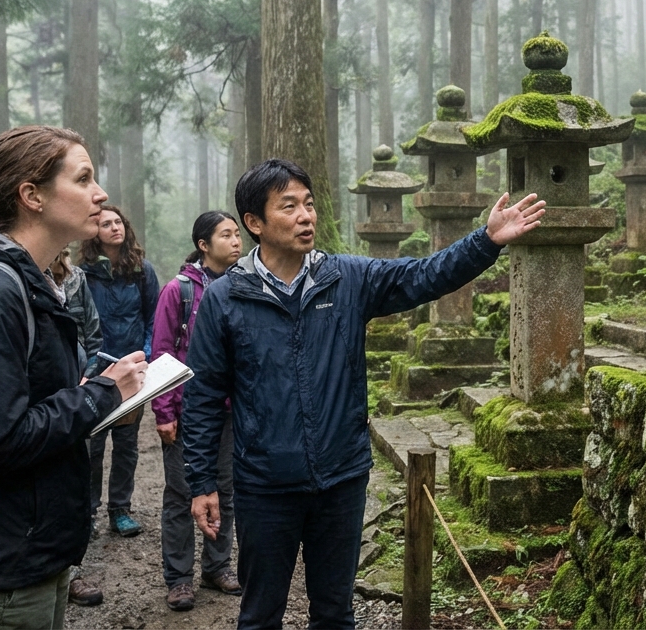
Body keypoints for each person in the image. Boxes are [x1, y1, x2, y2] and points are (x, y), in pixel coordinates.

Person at [183, 159, 544, 629]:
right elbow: (204, 396)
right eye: (288, 207)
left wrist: (486, 240)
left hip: (341, 479)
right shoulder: (226, 298)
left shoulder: (346, 278)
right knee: (260, 615)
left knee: (335, 613)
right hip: (265, 485)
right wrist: (202, 483)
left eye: (309, 204)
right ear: (255, 222)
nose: (306, 216)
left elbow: (423, 276)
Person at [0, 125, 146, 627]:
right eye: (82, 178)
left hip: (30, 555)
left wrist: (98, 400)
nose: (100, 194)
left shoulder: (28, 281)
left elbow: (24, 404)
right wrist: (101, 395)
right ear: (32, 196)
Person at [151, 212, 243, 611]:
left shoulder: (243, 285)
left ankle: (217, 566)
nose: (236, 241)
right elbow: (162, 353)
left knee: (226, 490)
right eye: (226, 235)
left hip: (231, 411)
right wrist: (164, 410)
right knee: (180, 494)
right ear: (204, 245)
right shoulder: (179, 291)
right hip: (187, 411)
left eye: (237, 234)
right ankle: (178, 578)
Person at [80, 205, 159, 538]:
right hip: (97, 372)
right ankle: (88, 512)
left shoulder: (141, 270)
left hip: (132, 369)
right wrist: (85, 365)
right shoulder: (83, 274)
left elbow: (153, 316)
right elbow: (79, 323)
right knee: (93, 446)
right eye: (105, 224)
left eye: (118, 222)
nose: (115, 228)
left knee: (126, 443)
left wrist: (147, 354)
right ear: (94, 233)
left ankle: (120, 510)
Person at [45, 248, 106, 607]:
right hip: (48, 402)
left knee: (76, 473)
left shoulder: (76, 279)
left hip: (77, 390)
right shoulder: (19, 278)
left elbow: (92, 335)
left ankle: (70, 570)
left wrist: (88, 378)